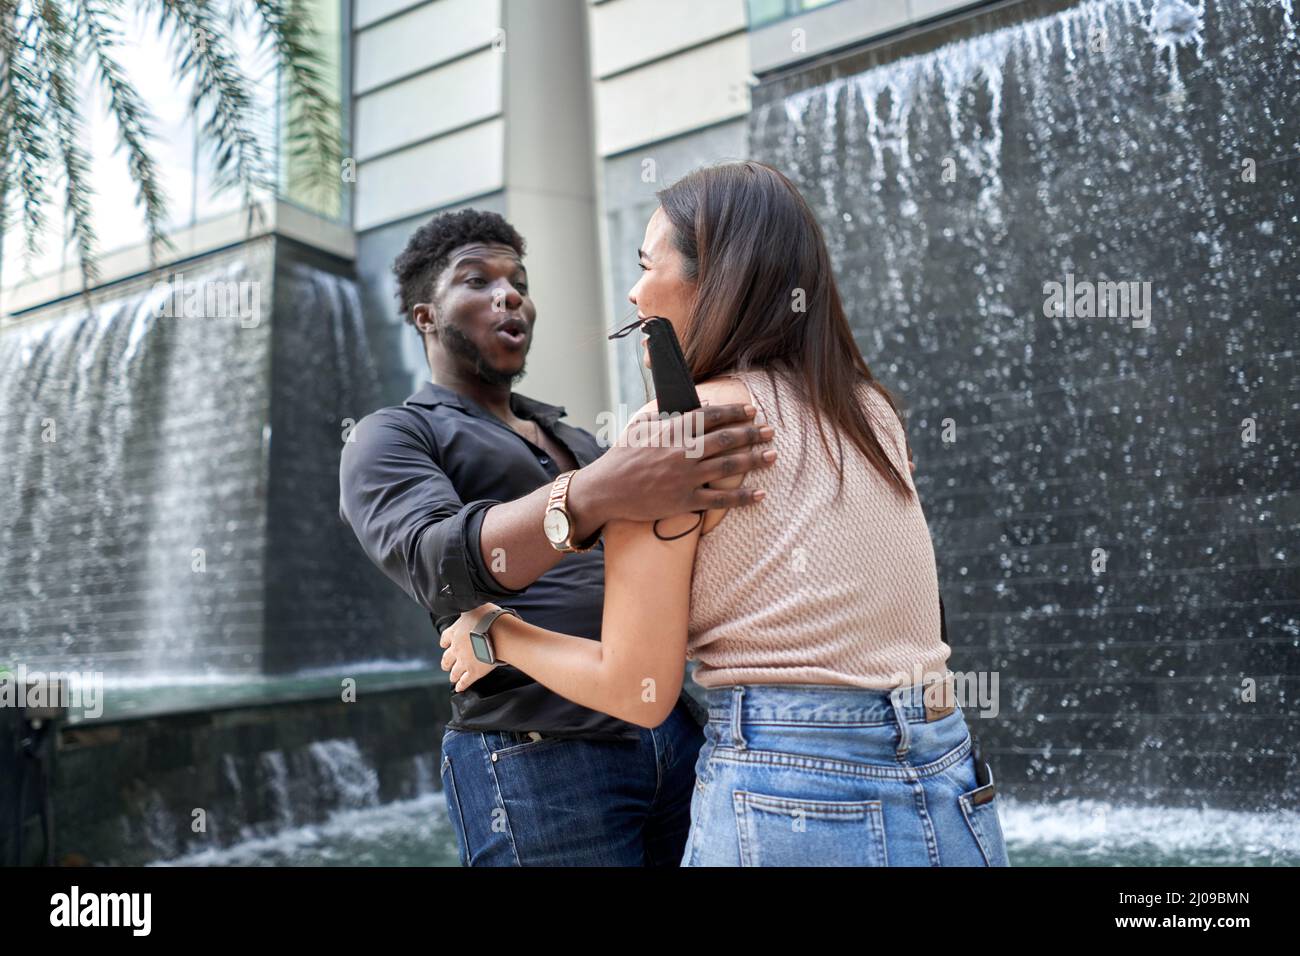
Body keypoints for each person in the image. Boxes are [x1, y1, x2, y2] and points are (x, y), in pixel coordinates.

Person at [440, 162, 1011, 866]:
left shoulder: (679, 435)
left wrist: (497, 635)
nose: (634, 289)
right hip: (947, 771)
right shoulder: (869, 411)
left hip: (788, 790)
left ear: (716, 282)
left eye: (649, 265)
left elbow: (637, 688)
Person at [338, 208, 776, 866]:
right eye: (477, 281)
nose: (509, 293)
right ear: (425, 315)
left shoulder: (574, 438)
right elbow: (435, 562)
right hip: (537, 752)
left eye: (517, 279)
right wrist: (598, 491)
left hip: (672, 733)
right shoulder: (393, 434)